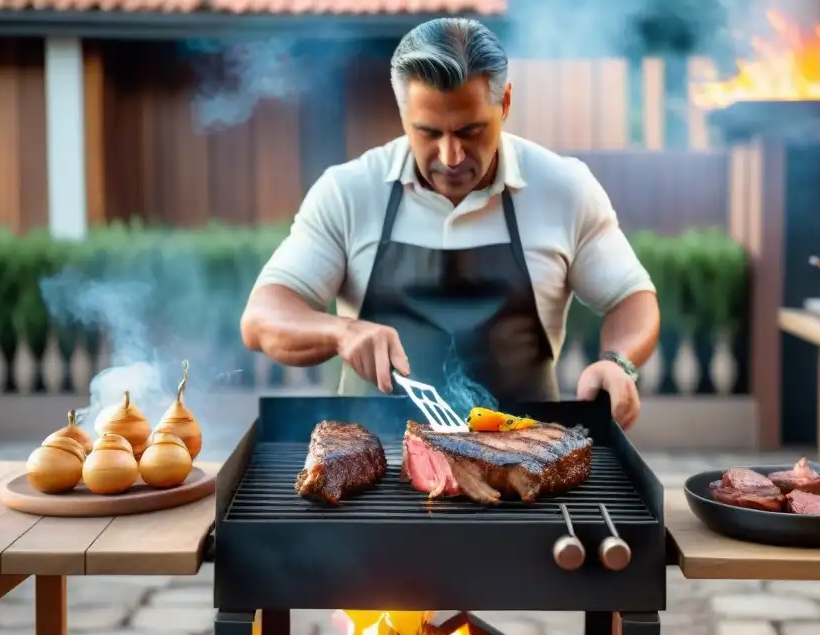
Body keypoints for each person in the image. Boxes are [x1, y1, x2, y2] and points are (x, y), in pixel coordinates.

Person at [240, 17, 660, 430]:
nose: (451, 156)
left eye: (470, 130)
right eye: (428, 132)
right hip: (376, 468)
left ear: (505, 104)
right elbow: (262, 319)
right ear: (403, 114)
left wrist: (616, 362)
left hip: (529, 463)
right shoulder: (349, 191)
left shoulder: (563, 188)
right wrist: (340, 332)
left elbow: (631, 296)